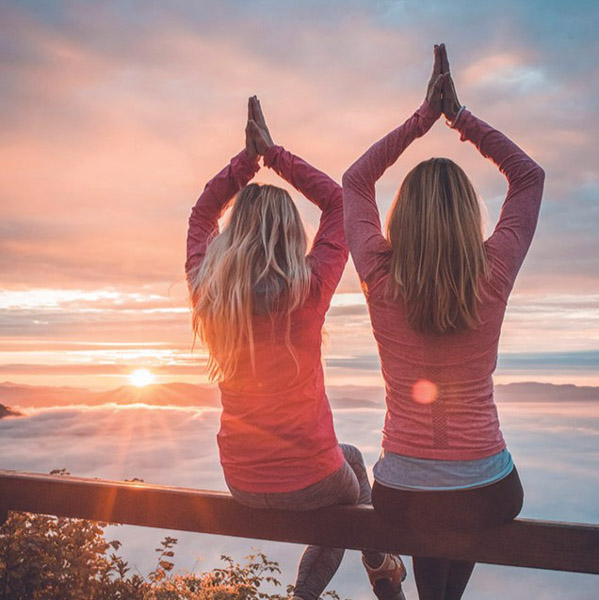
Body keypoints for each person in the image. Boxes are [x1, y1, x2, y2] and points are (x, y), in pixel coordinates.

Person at [342, 44, 545, 600]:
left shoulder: (380, 277)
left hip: (401, 489)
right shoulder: (492, 271)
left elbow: (355, 182)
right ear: (467, 216)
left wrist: (422, 118)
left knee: (434, 549)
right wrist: (459, 117)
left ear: (401, 215)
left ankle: (395, 587)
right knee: (451, 549)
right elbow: (528, 179)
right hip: (488, 489)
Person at [186, 96, 407, 600]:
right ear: (291, 236)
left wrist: (245, 163)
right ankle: (376, 572)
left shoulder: (209, 293)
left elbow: (201, 214)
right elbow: (341, 203)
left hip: (240, 478)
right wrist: (274, 155)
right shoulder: (308, 290)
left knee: (349, 456)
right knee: (352, 507)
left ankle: (374, 564)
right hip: (310, 477)